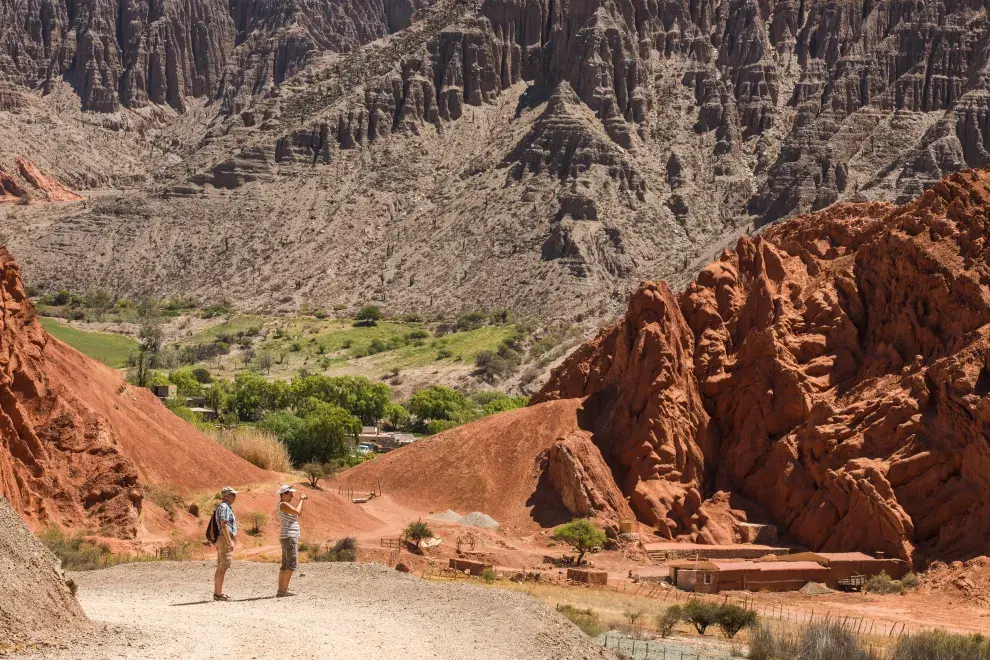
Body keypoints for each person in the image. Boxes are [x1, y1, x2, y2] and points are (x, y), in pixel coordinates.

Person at [276, 484, 307, 597]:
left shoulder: (284, 505)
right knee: (291, 564)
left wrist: (301, 502)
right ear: (283, 494)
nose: (292, 496)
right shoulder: (283, 504)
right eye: (290, 494)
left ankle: (281, 589)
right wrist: (302, 500)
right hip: (289, 537)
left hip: (286, 536)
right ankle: (283, 590)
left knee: (285, 565)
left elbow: (298, 512)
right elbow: (297, 512)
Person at [214, 486, 238, 601]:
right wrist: (230, 541)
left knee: (220, 566)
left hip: (221, 538)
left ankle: (217, 593)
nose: (235, 497)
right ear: (226, 496)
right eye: (233, 495)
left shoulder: (223, 507)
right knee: (223, 566)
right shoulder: (225, 507)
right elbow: (224, 525)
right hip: (224, 538)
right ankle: (219, 594)